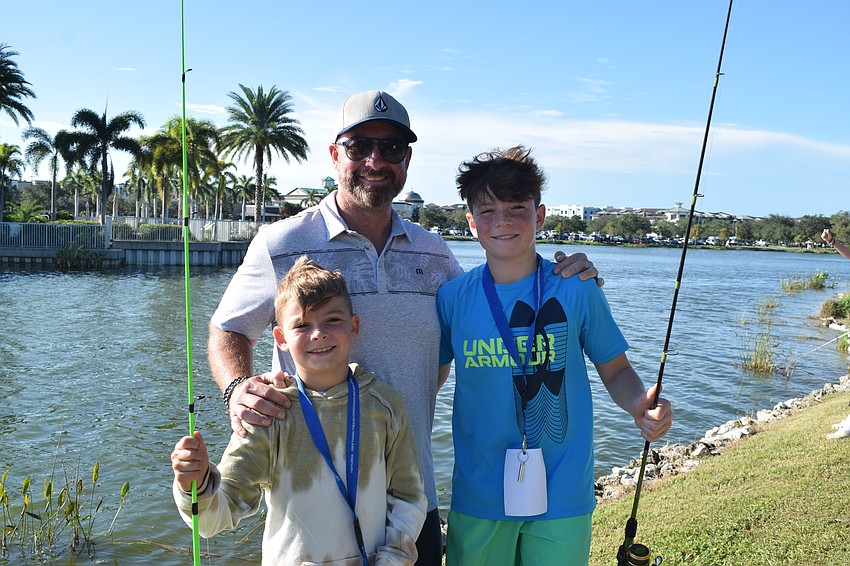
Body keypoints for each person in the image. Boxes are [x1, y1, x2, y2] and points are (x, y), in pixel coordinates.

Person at [207, 89, 602, 564]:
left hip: (412, 504)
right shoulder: (280, 242)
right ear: (335, 155)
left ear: (407, 160)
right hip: (311, 513)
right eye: (360, 147)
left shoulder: (436, 253)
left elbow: (491, 311)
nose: (376, 160)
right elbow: (229, 329)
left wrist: (563, 276)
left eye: (391, 148)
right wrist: (237, 388)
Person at [436, 146, 673, 565]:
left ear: (540, 216)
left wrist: (640, 405)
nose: (504, 220)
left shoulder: (577, 286)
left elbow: (616, 369)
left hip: (562, 490)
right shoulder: (452, 297)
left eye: (516, 207)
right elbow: (428, 382)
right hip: (479, 492)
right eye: (487, 210)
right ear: (471, 222)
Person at [173, 257, 427, 564]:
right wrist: (194, 484)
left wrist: (392, 559)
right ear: (280, 338)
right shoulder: (269, 412)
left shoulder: (386, 404)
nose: (318, 333)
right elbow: (214, 519)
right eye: (302, 325)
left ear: (354, 326)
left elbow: (408, 499)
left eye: (332, 319)